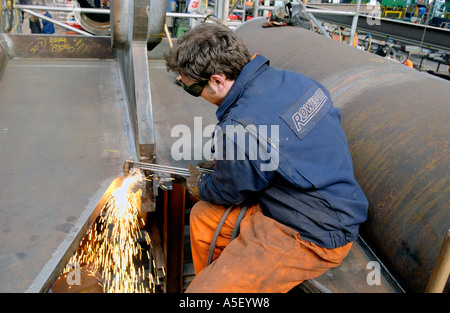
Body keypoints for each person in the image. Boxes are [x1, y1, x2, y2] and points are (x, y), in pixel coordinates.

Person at [164, 22, 368, 292]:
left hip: (312, 231)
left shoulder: (238, 127)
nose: (196, 95)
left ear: (217, 80)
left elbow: (227, 192)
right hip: (297, 199)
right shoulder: (294, 80)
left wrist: (200, 184)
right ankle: (227, 275)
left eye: (193, 89)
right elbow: (281, 149)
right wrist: (231, 162)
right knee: (203, 217)